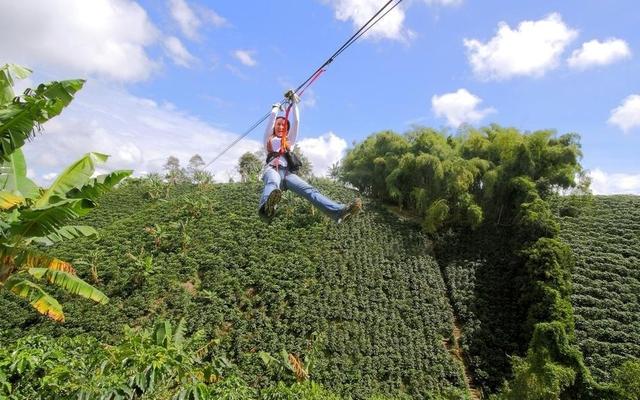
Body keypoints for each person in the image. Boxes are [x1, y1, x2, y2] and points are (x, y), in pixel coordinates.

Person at [258, 90, 361, 222]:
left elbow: (296, 122)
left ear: (287, 130)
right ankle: (266, 209)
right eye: (279, 124)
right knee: (273, 181)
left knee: (309, 190)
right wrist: (275, 109)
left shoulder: (290, 141)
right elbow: (271, 122)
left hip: (288, 174)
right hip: (272, 169)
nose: (281, 126)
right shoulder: (268, 139)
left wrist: (294, 103)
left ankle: (339, 212)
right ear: (274, 127)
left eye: (284, 125)